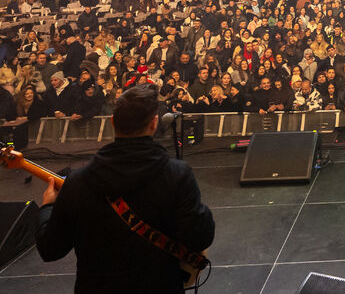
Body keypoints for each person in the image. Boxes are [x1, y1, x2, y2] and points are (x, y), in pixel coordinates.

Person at [35, 84, 215, 293]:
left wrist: (47, 207)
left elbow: (50, 250)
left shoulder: (78, 182)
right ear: (154, 124)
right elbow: (199, 237)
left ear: (112, 122)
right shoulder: (177, 175)